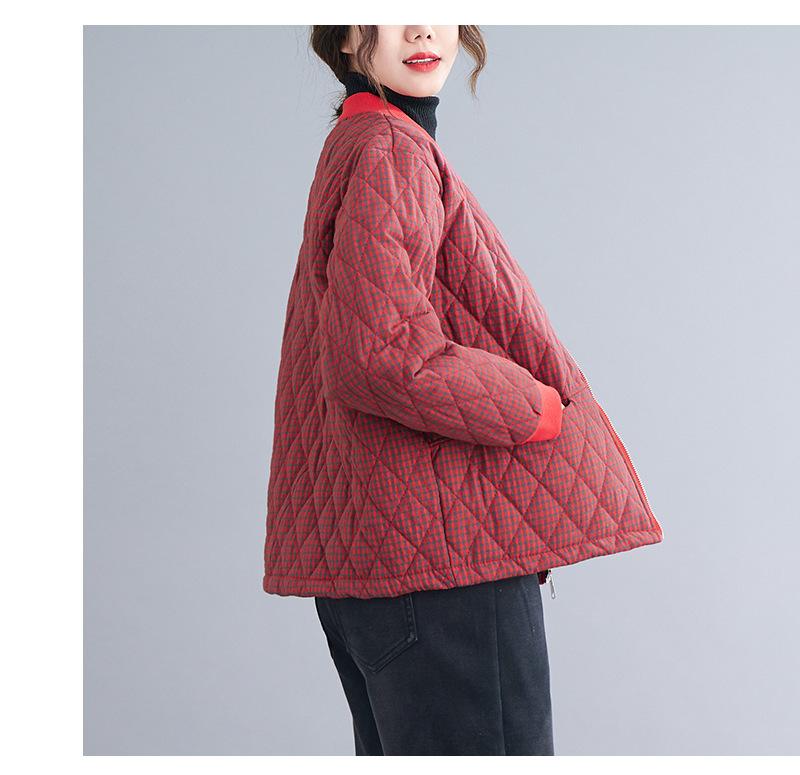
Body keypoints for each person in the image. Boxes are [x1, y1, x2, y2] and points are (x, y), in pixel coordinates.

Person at [262, 25, 663, 756]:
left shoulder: (359, 141)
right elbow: (380, 351)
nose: (422, 27)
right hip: (443, 571)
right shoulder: (390, 149)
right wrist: (532, 407)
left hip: (389, 563)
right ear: (345, 36)